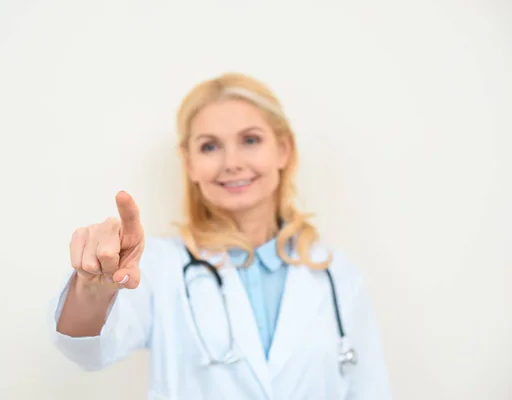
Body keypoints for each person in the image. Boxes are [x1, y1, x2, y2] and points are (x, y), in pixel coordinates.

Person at [48, 72, 392, 399]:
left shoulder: (336, 274)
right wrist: (92, 287)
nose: (231, 162)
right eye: (210, 147)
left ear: (283, 150)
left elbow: (370, 391)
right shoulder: (158, 266)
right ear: (189, 163)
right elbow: (87, 349)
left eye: (251, 140)